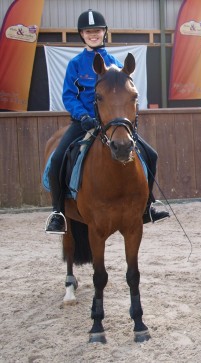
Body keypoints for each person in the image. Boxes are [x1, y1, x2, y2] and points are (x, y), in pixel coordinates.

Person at [45, 9, 169, 234]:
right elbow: (69, 95)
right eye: (88, 31)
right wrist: (82, 115)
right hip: (82, 123)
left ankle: (148, 205)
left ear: (104, 32)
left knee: (151, 154)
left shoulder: (114, 64)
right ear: (82, 35)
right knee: (57, 160)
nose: (93, 35)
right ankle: (58, 213)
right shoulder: (75, 64)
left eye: (97, 31)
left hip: (112, 125)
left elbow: (123, 96)